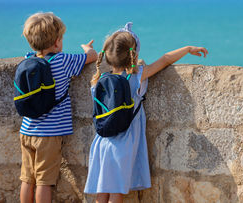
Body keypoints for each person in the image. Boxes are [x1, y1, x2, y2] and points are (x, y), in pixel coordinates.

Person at [84, 22, 208, 203]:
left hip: (102, 142)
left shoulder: (98, 80)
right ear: (133, 54)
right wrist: (188, 48)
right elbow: (165, 59)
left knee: (102, 193)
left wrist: (88, 49)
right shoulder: (136, 77)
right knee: (116, 193)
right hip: (123, 145)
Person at [19, 12, 98, 203]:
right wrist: (87, 48)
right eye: (61, 39)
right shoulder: (63, 61)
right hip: (49, 135)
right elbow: (92, 56)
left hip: (27, 129)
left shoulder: (27, 60)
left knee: (27, 179)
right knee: (44, 181)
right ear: (56, 43)